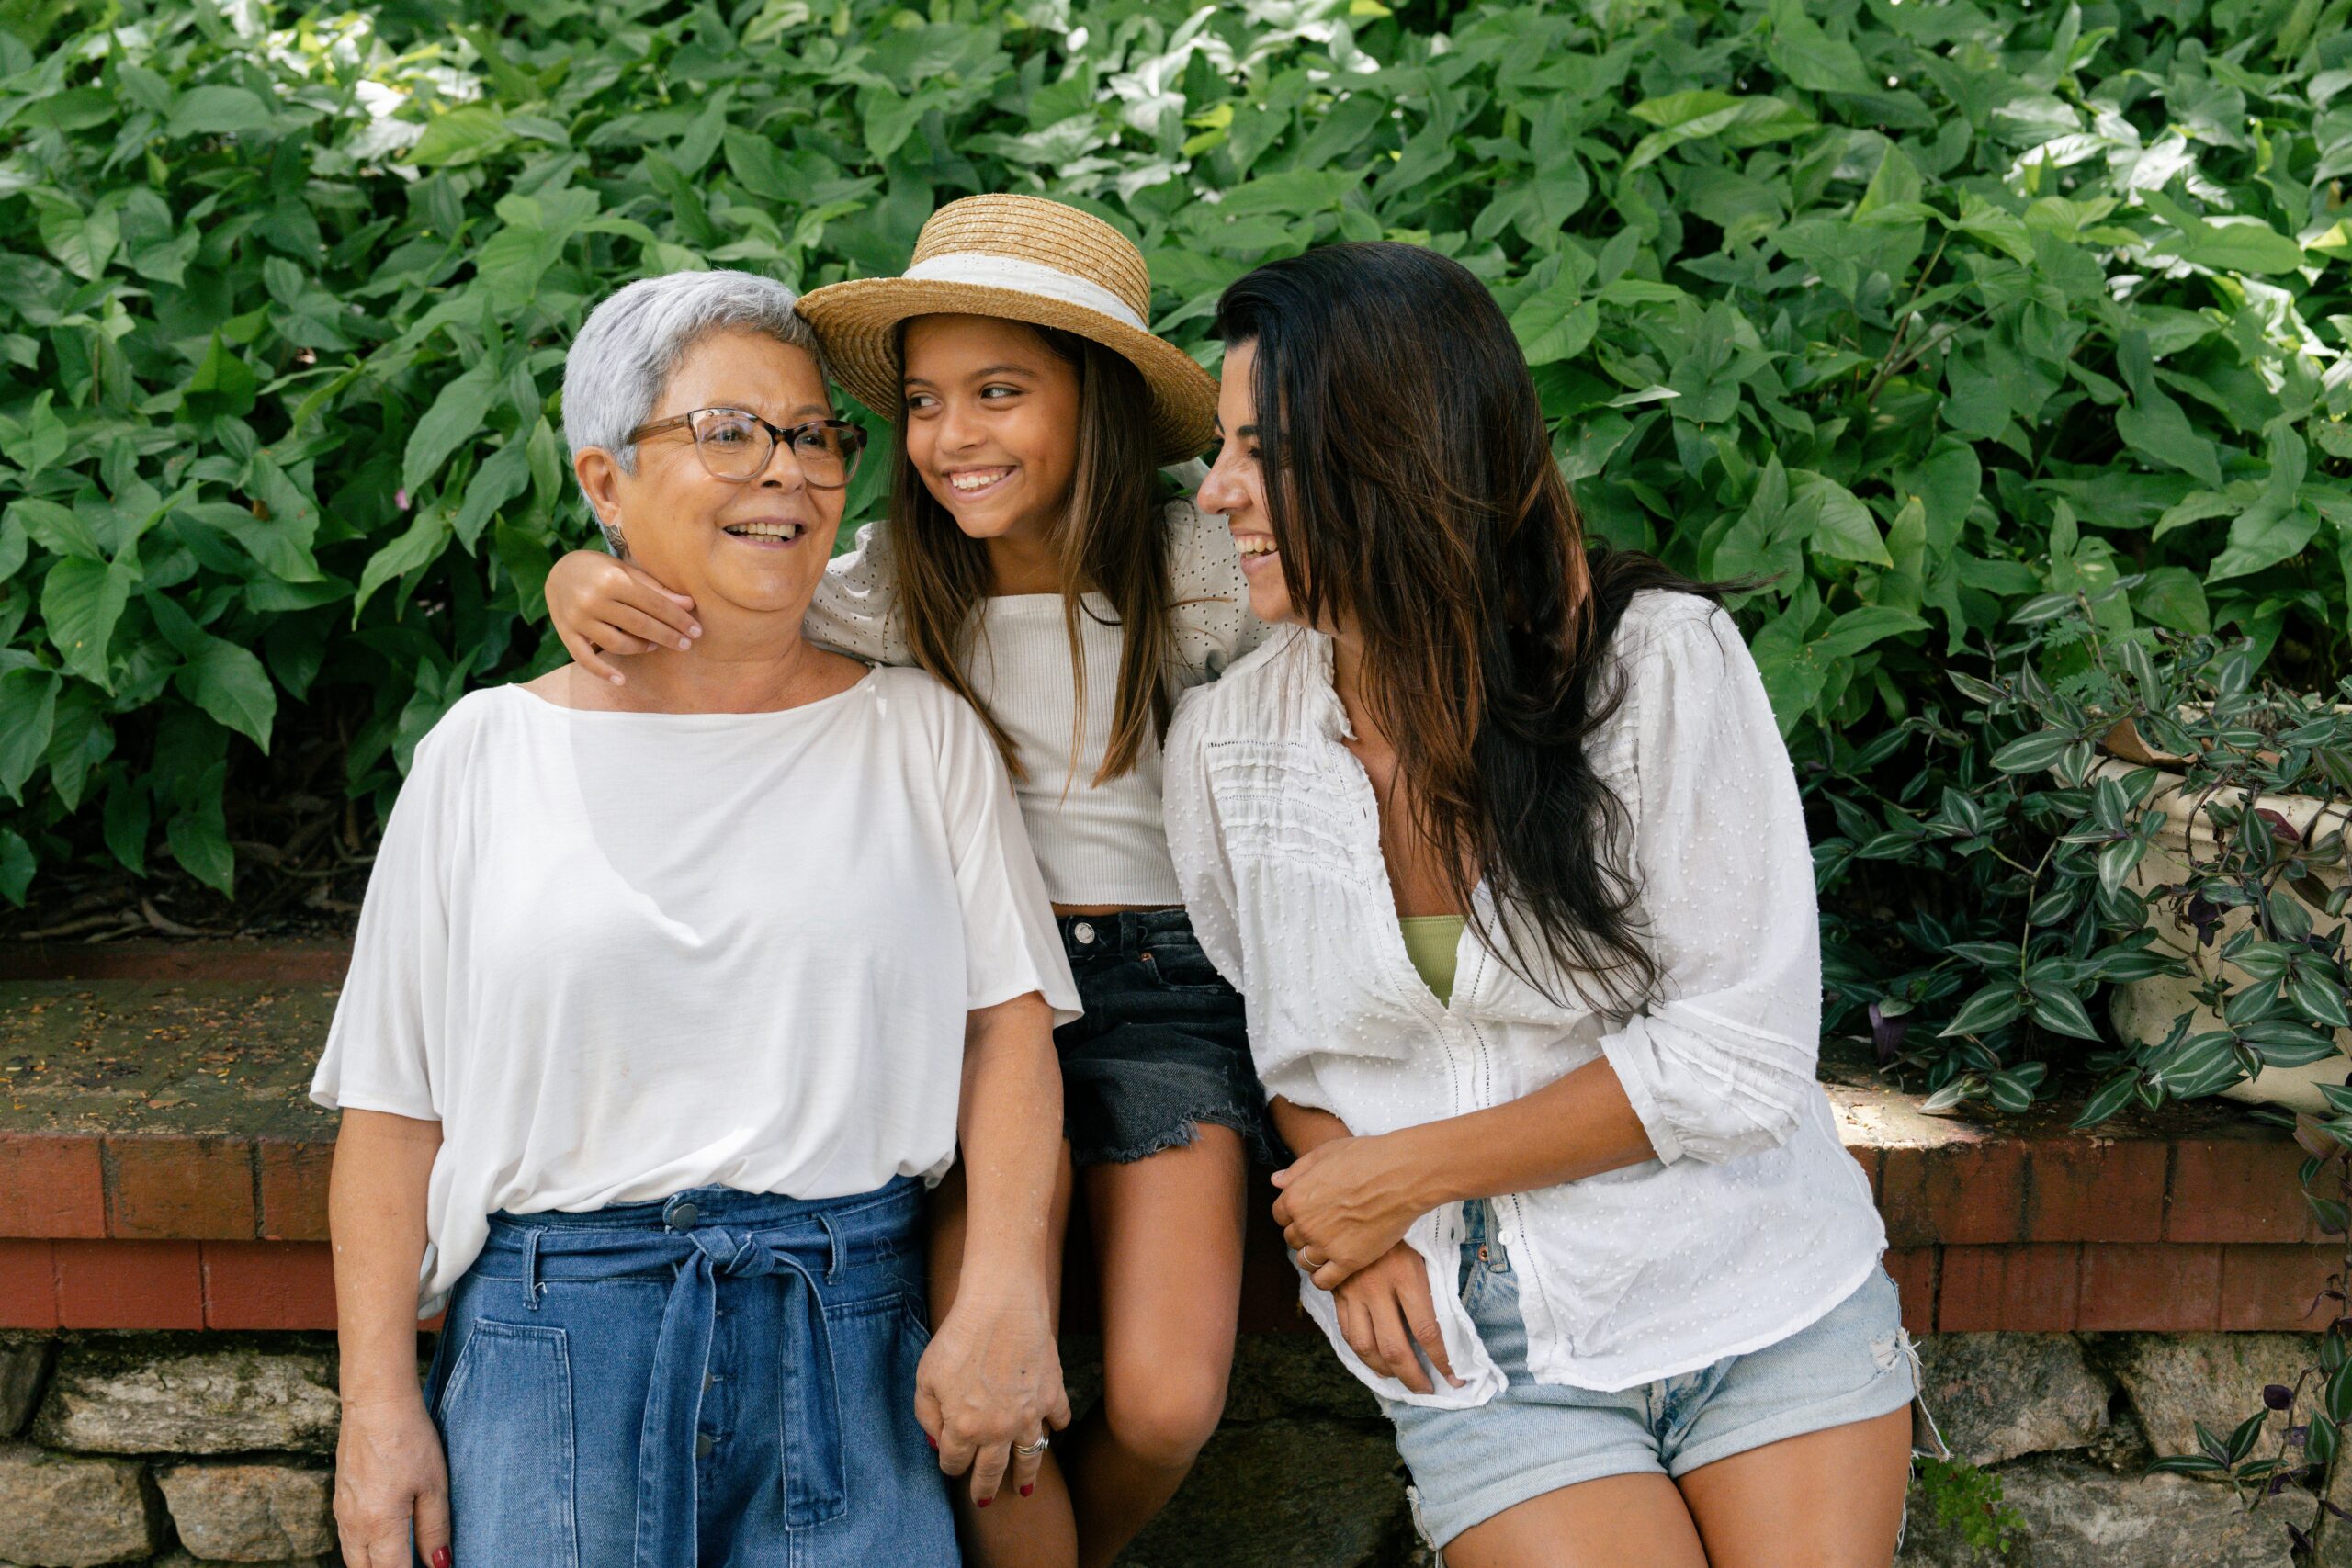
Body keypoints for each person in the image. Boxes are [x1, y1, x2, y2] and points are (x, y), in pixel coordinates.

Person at [1164, 242, 1936, 1568]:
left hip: (1756, 1285)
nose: (1219, 491)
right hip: (1479, 1341)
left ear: (1399, 458)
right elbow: (1283, 1039)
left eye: (1264, 452)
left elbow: (1734, 1062)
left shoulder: (1657, 672)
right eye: (1220, 447)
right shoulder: (1232, 745)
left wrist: (1392, 1178)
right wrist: (1362, 1234)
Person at [540, 195, 1273, 1568]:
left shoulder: (1203, 579)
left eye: (1000, 393)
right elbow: (692, 588)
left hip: (1171, 993)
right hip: (967, 1013)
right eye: (925, 403)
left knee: (1171, 1401)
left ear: (1100, 403)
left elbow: (1365, 661)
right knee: (981, 1414)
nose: (952, 438)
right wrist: (581, 571)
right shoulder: (874, 593)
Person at [318, 269, 1078, 1568]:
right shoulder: (482, 756)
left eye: (812, 435)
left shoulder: (917, 734)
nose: (785, 471)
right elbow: (395, 1115)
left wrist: (1006, 1287)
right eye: (728, 432)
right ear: (605, 483)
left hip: (850, 1336)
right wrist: (376, 1408)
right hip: (553, 1353)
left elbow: (1006, 1037)